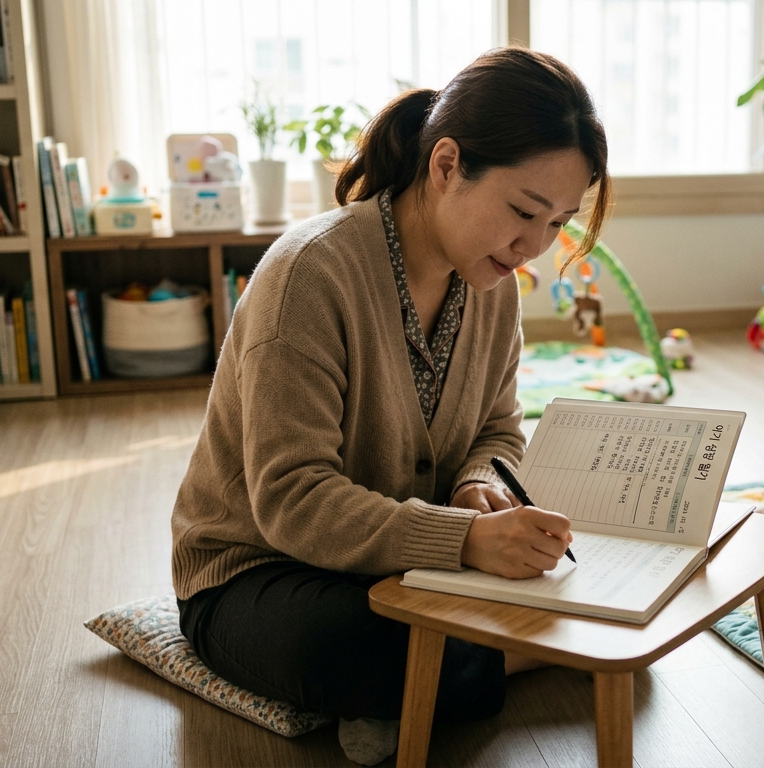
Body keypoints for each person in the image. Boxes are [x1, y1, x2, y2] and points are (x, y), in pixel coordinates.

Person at [169, 48, 611, 764]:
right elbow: (291, 499)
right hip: (258, 568)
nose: (532, 246)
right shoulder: (310, 275)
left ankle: (432, 678)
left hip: (397, 561)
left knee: (435, 624)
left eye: (557, 223)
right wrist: (467, 542)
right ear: (446, 165)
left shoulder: (493, 287)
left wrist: (477, 483)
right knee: (343, 648)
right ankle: (525, 651)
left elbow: (499, 428)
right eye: (523, 211)